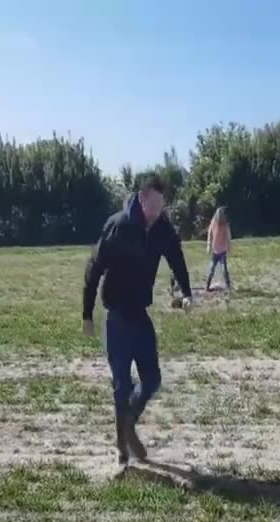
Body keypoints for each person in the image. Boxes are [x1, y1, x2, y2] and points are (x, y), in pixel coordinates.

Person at [83, 174, 193, 465]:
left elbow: (176, 258)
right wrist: (86, 314)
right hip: (115, 315)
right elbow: (93, 268)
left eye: (162, 204)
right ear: (142, 199)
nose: (158, 210)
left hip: (139, 315)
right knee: (122, 383)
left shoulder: (162, 229)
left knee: (152, 379)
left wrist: (187, 291)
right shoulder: (118, 226)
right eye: (154, 203)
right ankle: (123, 446)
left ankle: (128, 423)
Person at [205, 206, 233, 290]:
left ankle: (228, 285)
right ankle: (207, 286)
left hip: (222, 251)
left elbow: (228, 237)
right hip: (215, 251)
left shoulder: (225, 226)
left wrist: (228, 246)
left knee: (224, 269)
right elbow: (210, 233)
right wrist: (209, 244)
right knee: (211, 269)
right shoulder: (213, 223)